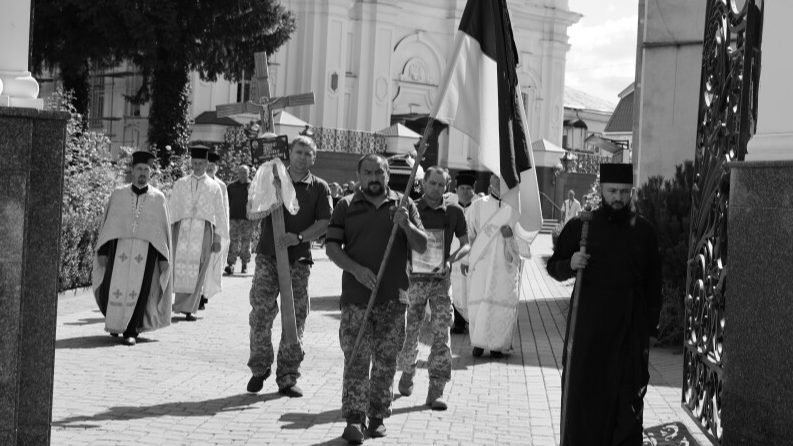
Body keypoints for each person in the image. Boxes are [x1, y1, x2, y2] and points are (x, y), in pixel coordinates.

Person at [546, 163, 662, 446]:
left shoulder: (644, 231)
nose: (619, 197)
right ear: (601, 191)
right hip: (589, 327)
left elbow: (653, 284)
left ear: (631, 191)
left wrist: (649, 330)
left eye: (624, 191)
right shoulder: (581, 226)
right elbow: (553, 266)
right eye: (612, 191)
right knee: (584, 397)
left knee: (628, 401)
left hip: (628, 327)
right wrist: (570, 264)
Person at [326, 153, 427, 444]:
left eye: (379, 173)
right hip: (356, 298)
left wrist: (406, 225)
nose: (373, 178)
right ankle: (354, 420)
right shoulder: (346, 205)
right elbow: (332, 247)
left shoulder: (405, 204)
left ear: (387, 175)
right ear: (359, 176)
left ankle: (379, 416)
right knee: (356, 358)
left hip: (394, 298)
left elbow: (422, 247)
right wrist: (355, 270)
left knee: (386, 361)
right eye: (367, 172)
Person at [246, 135, 332, 398]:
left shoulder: (319, 187)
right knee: (260, 313)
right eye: (298, 151)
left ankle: (287, 375)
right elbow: (252, 210)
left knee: (294, 319)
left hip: (299, 261)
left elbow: (325, 222)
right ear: (289, 153)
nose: (302, 157)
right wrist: (267, 191)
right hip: (268, 258)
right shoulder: (273, 178)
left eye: (308, 153)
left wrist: (299, 237)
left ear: (314, 158)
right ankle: (260, 368)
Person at [396, 166, 469, 411]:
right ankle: (407, 371)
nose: (436, 188)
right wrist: (404, 262)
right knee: (409, 332)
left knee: (441, 335)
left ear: (446, 187)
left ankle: (436, 389)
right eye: (432, 183)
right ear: (423, 183)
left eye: (441, 184)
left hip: (440, 281)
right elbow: (398, 240)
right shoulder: (410, 208)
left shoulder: (455, 211)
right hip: (413, 280)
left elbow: (466, 245)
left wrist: (451, 260)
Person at [92, 151, 172, 346]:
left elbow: (162, 232)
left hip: (146, 253)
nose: (142, 173)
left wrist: (163, 259)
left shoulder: (158, 198)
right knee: (114, 287)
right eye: (139, 169)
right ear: (132, 171)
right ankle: (114, 324)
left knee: (140, 291)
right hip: (118, 250)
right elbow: (108, 225)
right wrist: (102, 252)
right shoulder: (118, 195)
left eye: (146, 169)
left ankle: (131, 330)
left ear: (151, 172)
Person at [462, 173, 531, 358]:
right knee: (479, 302)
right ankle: (478, 342)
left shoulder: (515, 208)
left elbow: (525, 241)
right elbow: (468, 236)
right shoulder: (478, 205)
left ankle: (497, 345)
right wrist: (466, 260)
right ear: (490, 180)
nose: (498, 180)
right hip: (482, 264)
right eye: (494, 176)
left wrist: (510, 237)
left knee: (501, 303)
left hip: (505, 264)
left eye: (502, 176)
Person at [169, 145, 229, 321]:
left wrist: (217, 238)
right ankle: (179, 304)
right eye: (194, 163)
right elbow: (173, 210)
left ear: (206, 163)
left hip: (204, 231)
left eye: (201, 163)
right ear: (191, 163)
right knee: (180, 266)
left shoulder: (214, 187)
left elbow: (219, 214)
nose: (197, 166)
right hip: (182, 231)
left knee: (199, 267)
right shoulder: (180, 184)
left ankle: (191, 308)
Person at [447, 170, 478, 334]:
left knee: (471, 289)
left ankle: (472, 320)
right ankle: (457, 320)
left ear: (474, 190)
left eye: (469, 188)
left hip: (473, 258)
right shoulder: (449, 208)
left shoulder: (479, 207)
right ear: (456, 189)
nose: (465, 191)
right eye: (462, 188)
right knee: (455, 288)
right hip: (454, 255)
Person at [203, 151, 230, 309]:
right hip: (197, 229)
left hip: (214, 231)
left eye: (214, 166)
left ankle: (204, 295)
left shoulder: (221, 186)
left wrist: (221, 233)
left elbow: (224, 211)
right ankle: (194, 297)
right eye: (209, 165)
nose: (211, 168)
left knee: (210, 264)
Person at [226, 165, 255, 275]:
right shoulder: (231, 186)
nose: (243, 174)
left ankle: (244, 264)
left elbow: (256, 203)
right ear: (238, 173)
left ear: (248, 174)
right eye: (241, 172)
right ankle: (231, 264)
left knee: (246, 242)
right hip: (233, 218)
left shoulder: (253, 186)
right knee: (233, 241)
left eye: (245, 172)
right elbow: (227, 202)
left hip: (247, 219)